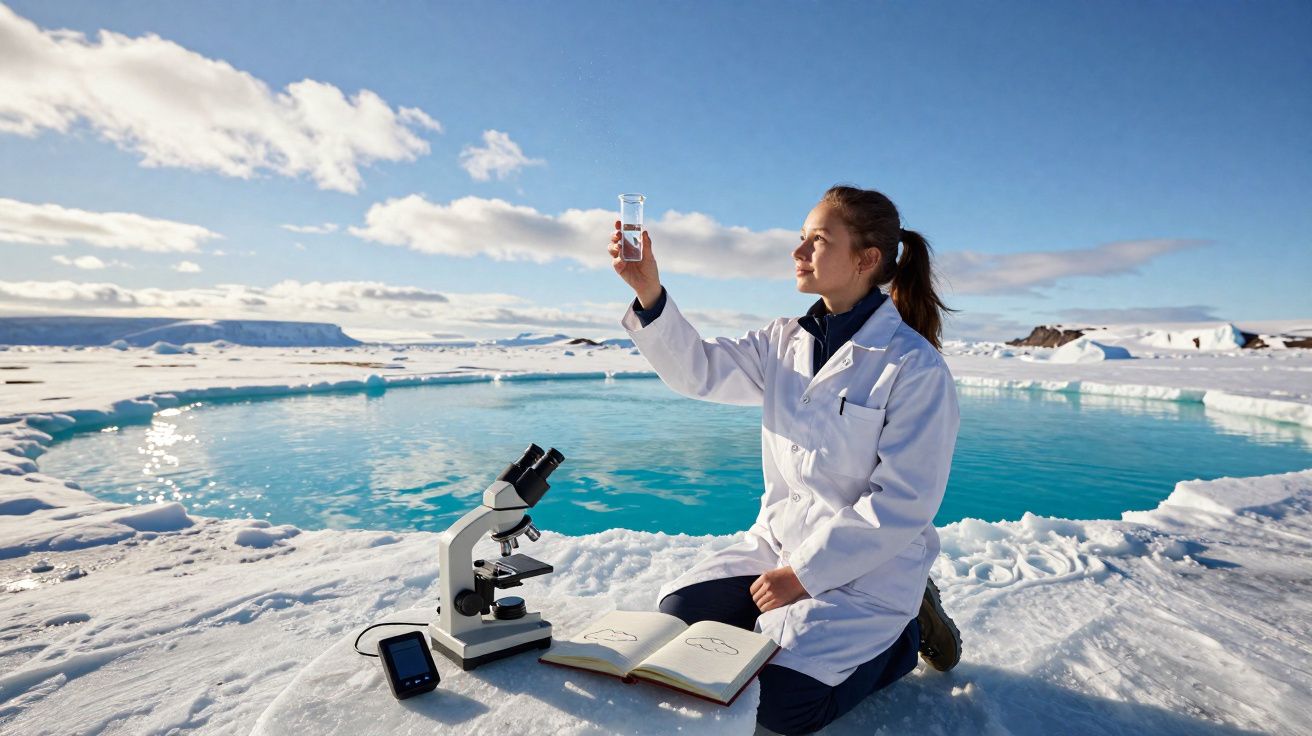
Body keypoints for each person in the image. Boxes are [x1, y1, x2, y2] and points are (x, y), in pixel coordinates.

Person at [607, 184, 963, 735]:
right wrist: (650, 292)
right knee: (677, 619)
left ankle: (907, 632)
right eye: (801, 238)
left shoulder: (914, 368)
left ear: (867, 259)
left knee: (773, 704)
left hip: (868, 568)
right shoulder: (782, 341)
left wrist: (804, 577)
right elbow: (699, 370)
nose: (798, 252)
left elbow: (903, 504)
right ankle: (780, 618)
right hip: (778, 544)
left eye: (817, 241)